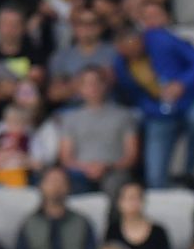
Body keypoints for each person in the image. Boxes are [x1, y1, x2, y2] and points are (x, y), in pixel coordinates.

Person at [112, 9, 194, 189]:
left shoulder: (161, 39)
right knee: (155, 178)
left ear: (141, 39)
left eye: (136, 47)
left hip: (189, 99)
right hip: (158, 114)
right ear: (120, 49)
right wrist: (155, 109)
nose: (134, 53)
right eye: (128, 51)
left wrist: (182, 83)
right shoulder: (121, 65)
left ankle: (189, 172)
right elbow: (133, 97)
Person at [57, 66, 138, 197]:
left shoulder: (124, 115)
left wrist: (106, 166)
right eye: (87, 83)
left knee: (117, 186)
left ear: (105, 85)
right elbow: (66, 157)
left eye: (96, 82)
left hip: (114, 170)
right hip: (79, 172)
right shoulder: (70, 118)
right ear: (80, 88)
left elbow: (131, 156)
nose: (92, 87)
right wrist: (86, 168)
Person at [0, 3, 46, 133]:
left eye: (15, 24)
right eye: (6, 24)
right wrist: (16, 87)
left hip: (24, 123)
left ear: (23, 27)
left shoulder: (35, 55)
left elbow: (33, 90)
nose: (10, 29)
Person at [47, 6, 116, 105]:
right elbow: (54, 94)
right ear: (74, 27)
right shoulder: (61, 57)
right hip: (73, 110)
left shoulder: (114, 52)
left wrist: (72, 85)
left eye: (92, 23)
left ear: (101, 26)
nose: (86, 28)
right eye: (81, 23)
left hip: (109, 107)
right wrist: (88, 82)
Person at [105, 180, 172, 249]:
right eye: (128, 198)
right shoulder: (112, 230)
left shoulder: (158, 232)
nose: (132, 202)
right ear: (119, 203)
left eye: (137, 198)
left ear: (143, 201)